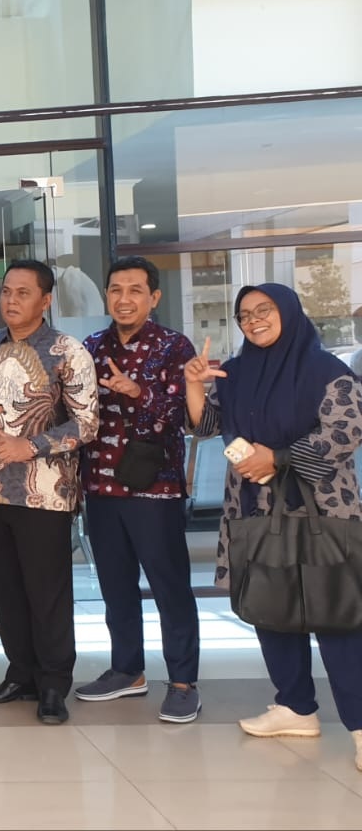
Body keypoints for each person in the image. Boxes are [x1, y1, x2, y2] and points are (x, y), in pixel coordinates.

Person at [186, 283, 362, 770]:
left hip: (321, 510)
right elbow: (205, 426)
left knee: (336, 614)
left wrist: (278, 457)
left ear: (289, 311)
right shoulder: (237, 371)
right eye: (245, 315)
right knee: (270, 606)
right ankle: (295, 707)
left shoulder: (328, 371)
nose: (254, 320)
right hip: (253, 508)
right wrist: (194, 384)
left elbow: (345, 432)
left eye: (264, 310)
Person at [0, 259, 98, 725]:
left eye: (23, 293)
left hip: (45, 493)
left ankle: (53, 683)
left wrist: (32, 445)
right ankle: (20, 673)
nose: (11, 301)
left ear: (45, 300)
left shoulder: (67, 350)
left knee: (47, 592)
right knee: (4, 589)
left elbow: (86, 423)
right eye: (6, 291)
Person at [75, 257, 202, 723]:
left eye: (134, 290)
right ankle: (128, 670)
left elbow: (182, 418)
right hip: (100, 486)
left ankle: (184, 682)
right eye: (115, 290)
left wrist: (136, 392)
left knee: (170, 587)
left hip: (156, 489)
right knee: (115, 587)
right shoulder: (90, 346)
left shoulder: (173, 347)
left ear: (154, 297)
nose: (123, 299)